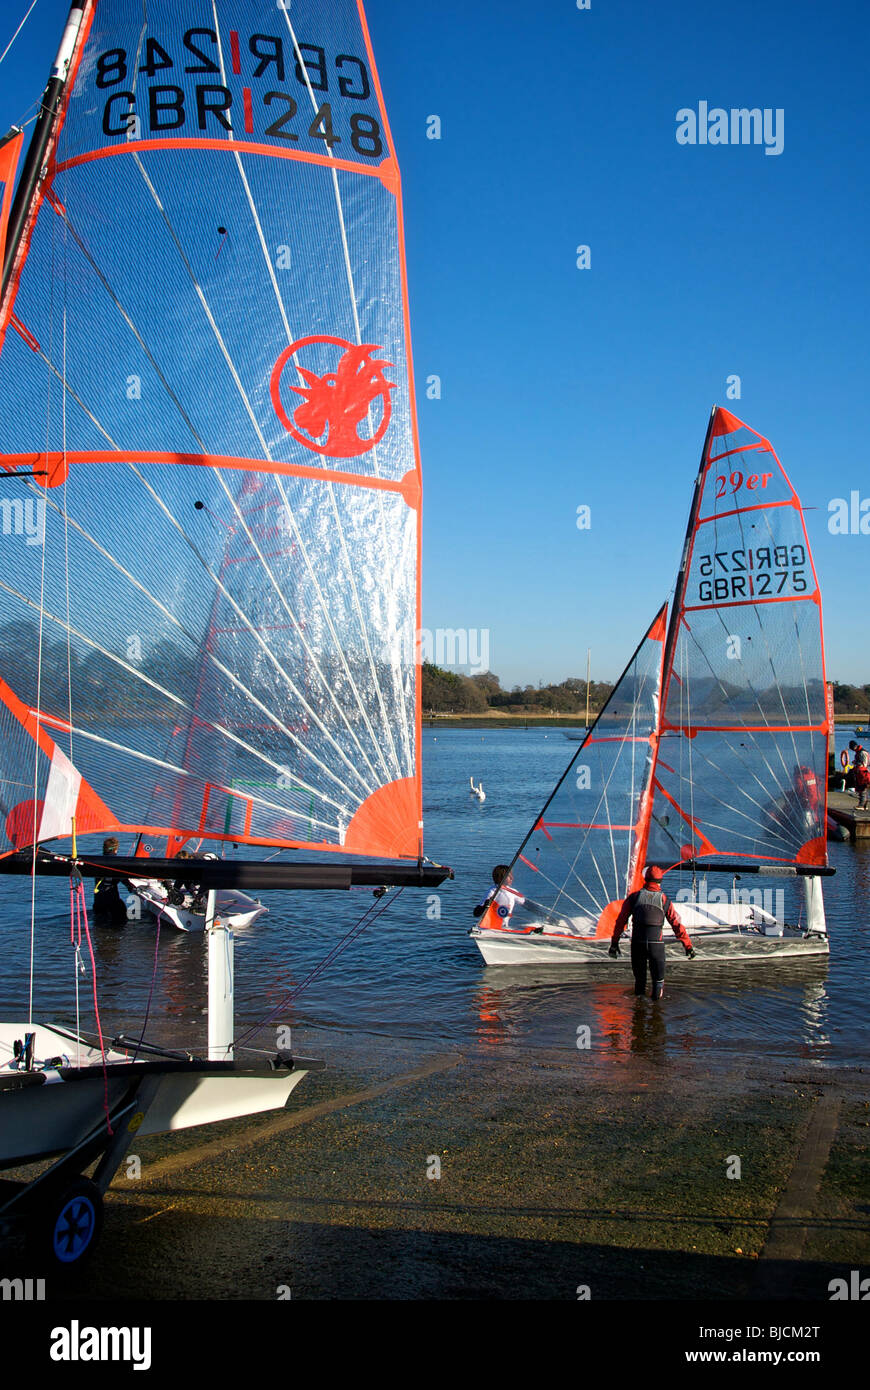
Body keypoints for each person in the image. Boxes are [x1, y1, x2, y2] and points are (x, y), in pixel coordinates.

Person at [609, 865, 695, 1001]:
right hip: (656, 947)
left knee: (640, 984)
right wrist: (688, 946)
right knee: (658, 983)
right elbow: (676, 925)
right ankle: (656, 1014)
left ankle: (638, 1015)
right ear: (660, 881)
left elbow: (620, 922)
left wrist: (614, 943)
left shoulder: (634, 898)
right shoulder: (664, 900)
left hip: (638, 945)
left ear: (645, 878)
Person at [472, 864, 568, 933]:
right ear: (502, 877)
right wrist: (485, 905)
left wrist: (547, 916)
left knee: (536, 928)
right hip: (490, 928)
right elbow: (476, 913)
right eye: (510, 876)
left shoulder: (512, 892)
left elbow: (528, 906)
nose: (512, 878)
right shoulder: (492, 891)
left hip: (503, 929)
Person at [92, 836, 131, 926]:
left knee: (99, 925)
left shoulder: (97, 861)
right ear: (115, 849)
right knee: (120, 924)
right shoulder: (117, 862)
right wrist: (131, 887)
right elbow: (123, 879)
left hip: (98, 900)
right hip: (112, 899)